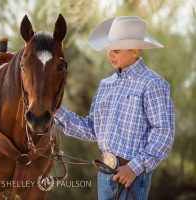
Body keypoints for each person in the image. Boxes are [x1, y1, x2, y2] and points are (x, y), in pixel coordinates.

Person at [54, 16, 175, 200]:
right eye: (109, 49)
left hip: (132, 176)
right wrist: (55, 110)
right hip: (105, 173)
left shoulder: (153, 84)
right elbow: (92, 129)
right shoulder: (106, 85)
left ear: (135, 51)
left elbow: (164, 133)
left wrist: (134, 168)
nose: (109, 55)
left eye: (116, 51)